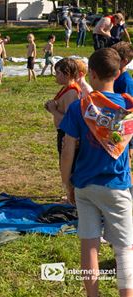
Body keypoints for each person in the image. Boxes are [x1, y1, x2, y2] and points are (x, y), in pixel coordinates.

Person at [59, 47, 133, 297]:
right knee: (123, 249)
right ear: (119, 72)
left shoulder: (79, 107)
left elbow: (68, 149)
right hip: (117, 185)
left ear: (91, 74)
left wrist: (66, 183)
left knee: (89, 246)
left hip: (84, 186)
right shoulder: (129, 109)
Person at [44, 58, 81, 158]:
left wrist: (53, 110)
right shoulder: (66, 88)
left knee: (66, 165)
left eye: (58, 73)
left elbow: (70, 120)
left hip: (66, 134)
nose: (55, 76)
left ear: (67, 74)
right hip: (63, 132)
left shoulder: (71, 92)